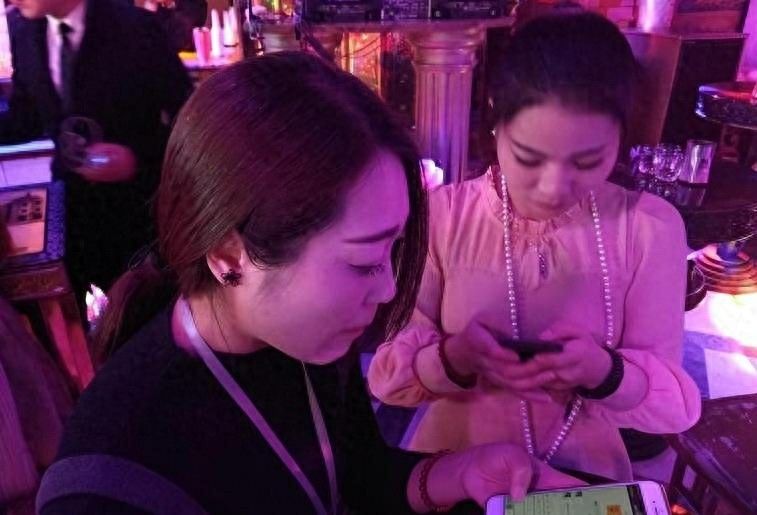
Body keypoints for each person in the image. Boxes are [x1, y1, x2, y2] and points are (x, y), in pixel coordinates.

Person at [36, 52, 580, 515]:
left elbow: (355, 480)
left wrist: (459, 474)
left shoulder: (309, 342)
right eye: (363, 262)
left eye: (393, 250)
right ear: (229, 254)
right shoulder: (107, 485)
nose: (389, 289)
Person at [367, 12, 701, 482]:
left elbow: (674, 409)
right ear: (496, 119)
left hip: (582, 477)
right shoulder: (444, 215)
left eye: (588, 161)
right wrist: (456, 358)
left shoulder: (647, 228)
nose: (552, 187)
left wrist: (603, 372)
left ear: (621, 137)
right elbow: (388, 380)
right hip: (456, 470)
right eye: (528, 157)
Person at [1, 0, 193, 308]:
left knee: (146, 308)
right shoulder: (23, 30)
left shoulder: (136, 27)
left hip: (136, 211)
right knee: (77, 311)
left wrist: (135, 159)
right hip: (70, 208)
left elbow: (189, 117)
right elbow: (27, 116)